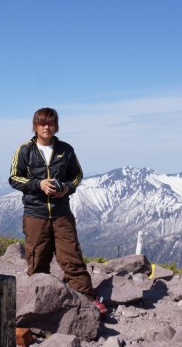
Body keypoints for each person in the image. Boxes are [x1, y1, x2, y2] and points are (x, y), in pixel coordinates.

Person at [9, 107, 108, 316]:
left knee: (72, 257)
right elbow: (14, 178)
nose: (47, 126)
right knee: (37, 260)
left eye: (51, 123)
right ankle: (38, 306)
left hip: (61, 212)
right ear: (35, 126)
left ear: (56, 126)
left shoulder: (66, 149)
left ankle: (86, 300)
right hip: (35, 213)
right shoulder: (25, 150)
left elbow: (77, 175)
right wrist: (39, 184)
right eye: (42, 123)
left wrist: (66, 189)